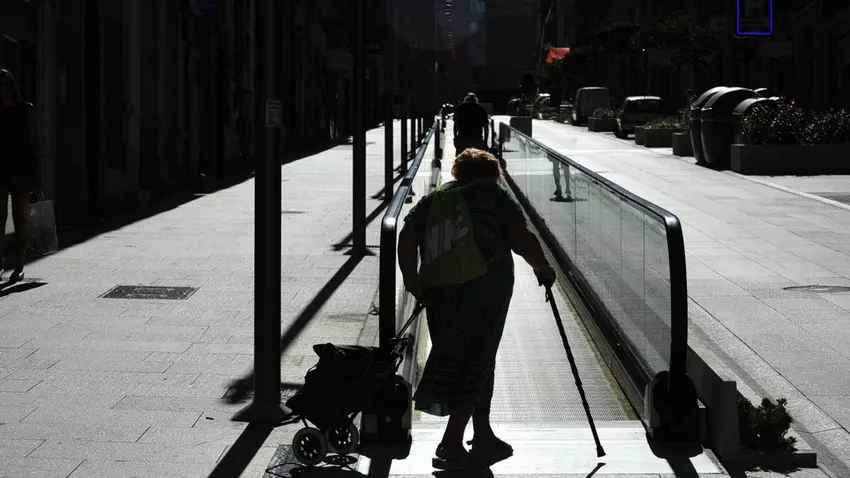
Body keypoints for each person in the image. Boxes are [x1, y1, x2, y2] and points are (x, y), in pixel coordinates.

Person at [397, 148, 556, 470]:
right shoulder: (495, 196)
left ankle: (482, 434)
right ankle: (451, 442)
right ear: (494, 174)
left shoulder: (437, 198)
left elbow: (406, 235)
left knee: (456, 357)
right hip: (485, 291)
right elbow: (521, 238)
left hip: (439, 292)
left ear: (458, 173)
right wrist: (544, 268)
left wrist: (413, 283)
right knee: (477, 361)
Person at [0, 69, 41, 283]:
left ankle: (19, 267)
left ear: (12, 87)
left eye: (6, 86)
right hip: (1, 169)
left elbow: (35, 143)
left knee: (20, 219)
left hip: (22, 169)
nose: (3, 91)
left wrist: (38, 176)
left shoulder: (26, 109)